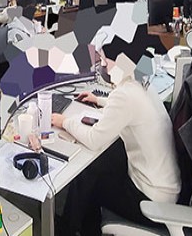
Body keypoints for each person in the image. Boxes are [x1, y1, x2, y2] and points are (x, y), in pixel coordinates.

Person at [52, 37, 180, 236]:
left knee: (88, 177)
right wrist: (99, 100)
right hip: (166, 189)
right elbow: (130, 108)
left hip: (150, 200)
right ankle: (79, 228)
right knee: (102, 163)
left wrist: (64, 122)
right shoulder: (142, 82)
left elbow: (94, 139)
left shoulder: (126, 95)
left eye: (106, 61)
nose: (104, 66)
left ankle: (69, 230)